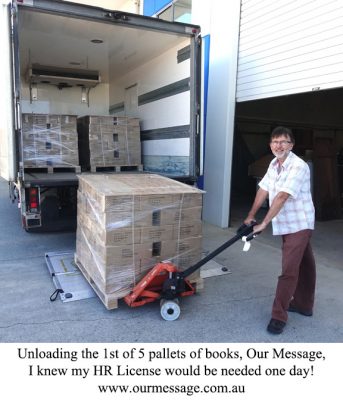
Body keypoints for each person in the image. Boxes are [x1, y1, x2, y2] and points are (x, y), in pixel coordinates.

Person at [244, 126, 316, 334]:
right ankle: (304, 305)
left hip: (299, 223)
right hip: (286, 223)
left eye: (283, 141)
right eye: (275, 141)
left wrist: (264, 222)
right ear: (270, 145)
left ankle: (278, 315)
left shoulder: (298, 166)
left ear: (291, 145)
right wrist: (250, 215)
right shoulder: (274, 164)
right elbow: (263, 189)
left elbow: (282, 196)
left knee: (289, 270)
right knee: (306, 264)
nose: (279, 145)